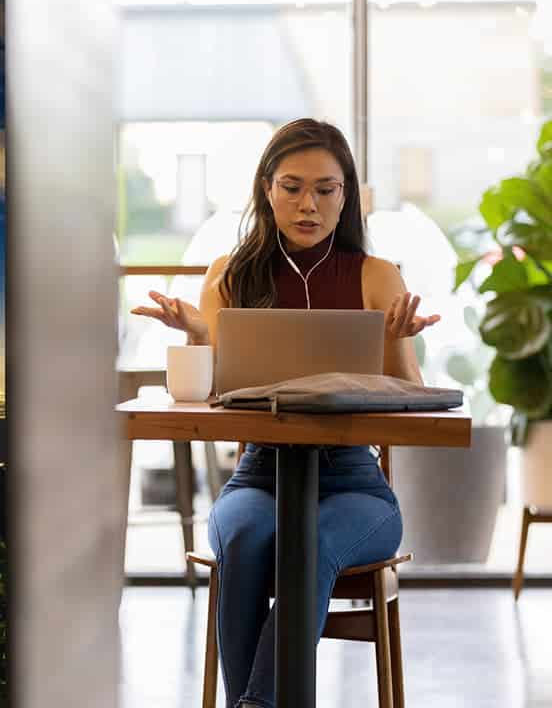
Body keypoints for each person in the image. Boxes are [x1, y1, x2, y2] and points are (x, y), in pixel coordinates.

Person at [131, 118, 440, 708]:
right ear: (266, 189)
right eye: (292, 187)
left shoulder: (376, 275)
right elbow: (217, 396)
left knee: (310, 544)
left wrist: (397, 342)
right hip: (259, 475)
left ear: (345, 195)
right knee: (246, 538)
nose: (308, 205)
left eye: (326, 189)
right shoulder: (230, 274)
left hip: (354, 485)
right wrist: (201, 336)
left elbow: (413, 405)